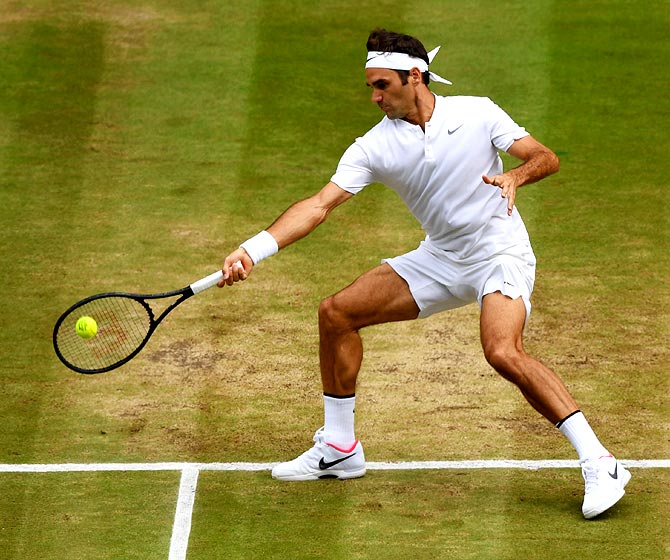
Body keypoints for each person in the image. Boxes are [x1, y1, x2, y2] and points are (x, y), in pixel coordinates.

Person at [218, 29, 630, 519]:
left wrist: (514, 176)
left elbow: (546, 157)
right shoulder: (373, 147)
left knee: (501, 351)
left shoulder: (477, 113)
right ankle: (340, 449)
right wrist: (252, 250)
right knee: (337, 314)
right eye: (371, 86)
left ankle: (600, 461)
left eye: (382, 85)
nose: (374, 97)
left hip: (499, 252)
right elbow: (319, 205)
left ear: (415, 77)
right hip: (440, 257)